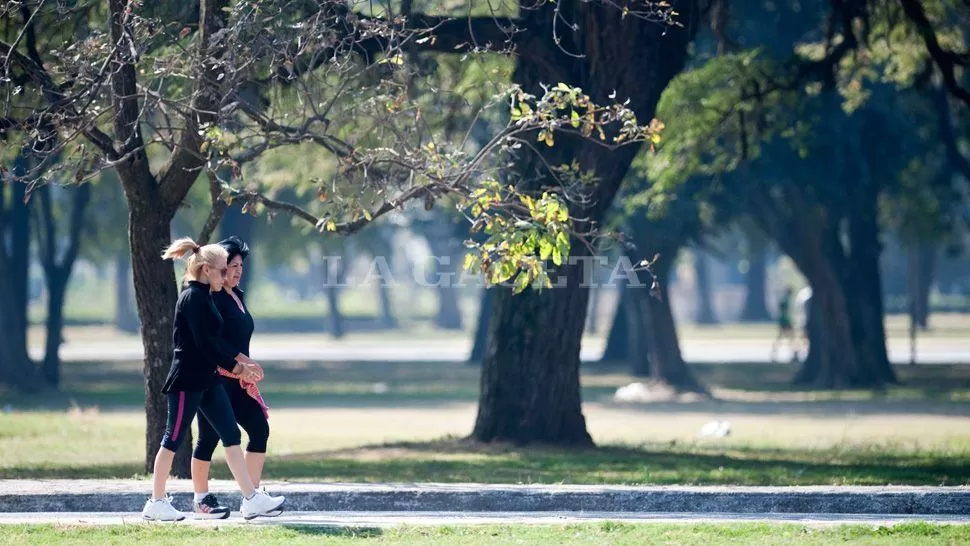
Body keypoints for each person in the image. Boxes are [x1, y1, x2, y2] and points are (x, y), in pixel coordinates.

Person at [141, 237, 285, 522]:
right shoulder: (193, 297)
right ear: (206, 270)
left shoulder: (207, 297)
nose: (228, 275)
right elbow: (205, 343)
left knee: (230, 434)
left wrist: (241, 363)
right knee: (172, 438)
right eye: (223, 270)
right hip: (188, 380)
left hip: (207, 379)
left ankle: (251, 499)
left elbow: (215, 343)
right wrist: (236, 365)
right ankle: (155, 502)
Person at [190, 236, 277, 519]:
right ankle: (201, 500)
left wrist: (246, 363)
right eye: (232, 264)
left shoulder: (237, 295)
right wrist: (242, 359)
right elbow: (213, 340)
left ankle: (251, 496)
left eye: (241, 265)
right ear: (217, 267)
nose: (237, 270)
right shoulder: (211, 298)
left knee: (259, 429)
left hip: (238, 380)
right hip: (215, 378)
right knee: (208, 439)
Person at [770, 286, 796, 363]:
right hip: (785, 320)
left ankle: (774, 352)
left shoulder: (784, 298)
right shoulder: (786, 300)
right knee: (791, 336)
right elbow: (786, 312)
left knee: (781, 337)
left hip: (782, 320)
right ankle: (794, 353)